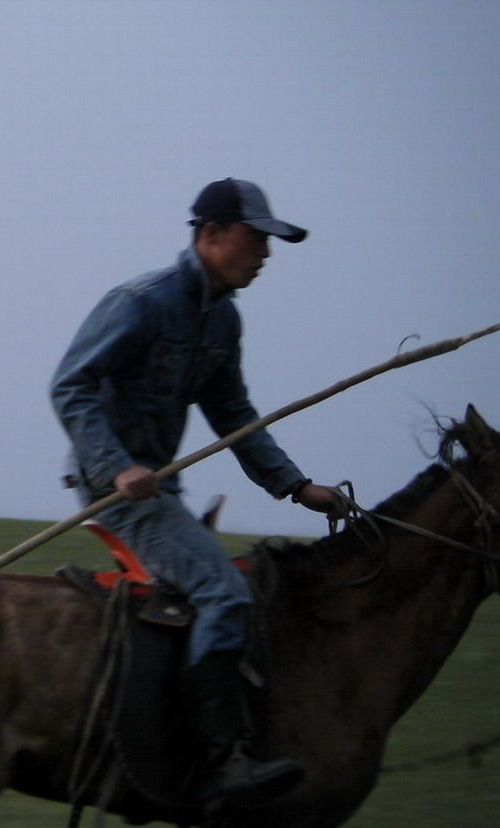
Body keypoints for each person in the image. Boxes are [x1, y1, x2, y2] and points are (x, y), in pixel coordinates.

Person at [50, 177, 344, 809]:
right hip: (118, 490)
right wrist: (118, 465)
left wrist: (295, 487)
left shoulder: (222, 319)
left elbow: (233, 413)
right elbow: (70, 386)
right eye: (256, 239)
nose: (264, 254)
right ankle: (220, 766)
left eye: (270, 243)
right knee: (221, 589)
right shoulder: (140, 302)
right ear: (211, 235)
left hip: (160, 490)